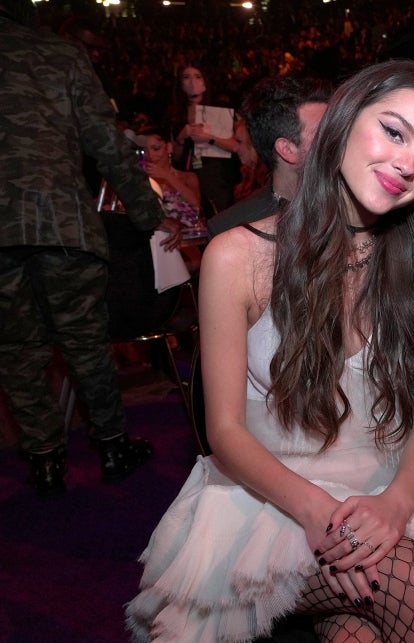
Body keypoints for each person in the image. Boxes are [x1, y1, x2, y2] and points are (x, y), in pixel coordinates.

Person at [126, 59, 414, 643]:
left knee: (360, 633)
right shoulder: (237, 257)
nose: (408, 164)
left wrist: (396, 503)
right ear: (342, 124)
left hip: (380, 495)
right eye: (394, 132)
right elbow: (224, 430)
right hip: (263, 499)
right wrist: (320, 517)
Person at [0, 0, 180, 496]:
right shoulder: (59, 54)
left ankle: (45, 461)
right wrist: (149, 214)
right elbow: (108, 144)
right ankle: (113, 447)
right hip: (62, 223)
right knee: (85, 341)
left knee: (15, 349)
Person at [208, 74, 332, 237]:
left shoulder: (358, 203)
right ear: (287, 149)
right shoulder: (230, 229)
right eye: (323, 132)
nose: (340, 138)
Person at [169, 63, 242, 213]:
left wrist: (209, 138)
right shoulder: (176, 114)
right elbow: (175, 156)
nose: (192, 82)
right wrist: (181, 138)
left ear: (205, 82)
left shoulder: (218, 108)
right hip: (190, 175)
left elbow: (235, 146)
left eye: (197, 76)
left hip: (218, 176)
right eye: (186, 77)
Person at [136, 125, 205, 271]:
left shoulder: (188, 177)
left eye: (156, 149)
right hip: (151, 242)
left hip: (184, 241)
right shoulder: (140, 180)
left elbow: (196, 205)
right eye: (145, 150)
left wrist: (167, 176)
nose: (150, 155)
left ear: (169, 147)